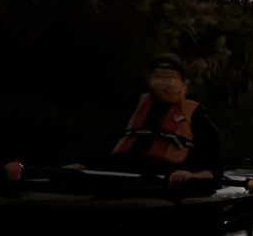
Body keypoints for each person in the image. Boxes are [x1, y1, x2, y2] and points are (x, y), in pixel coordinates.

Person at [62, 54, 223, 184]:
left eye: (171, 78)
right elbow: (107, 146)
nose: (165, 83)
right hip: (121, 177)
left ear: (183, 84)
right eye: (159, 77)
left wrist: (193, 176)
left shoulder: (196, 116)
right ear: (150, 81)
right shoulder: (133, 109)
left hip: (168, 182)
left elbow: (213, 164)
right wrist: (84, 166)